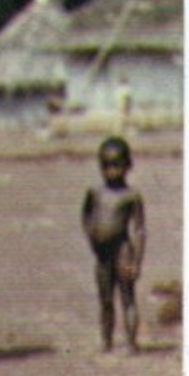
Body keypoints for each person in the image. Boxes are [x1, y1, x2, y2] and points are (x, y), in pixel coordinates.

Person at [81, 136, 146, 353]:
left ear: (128, 165)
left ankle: (131, 342)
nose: (111, 171)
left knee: (127, 297)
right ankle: (106, 340)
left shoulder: (131, 196)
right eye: (106, 165)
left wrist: (137, 260)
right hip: (102, 254)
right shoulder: (95, 192)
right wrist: (91, 237)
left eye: (116, 165)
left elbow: (139, 229)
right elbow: (86, 215)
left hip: (123, 251)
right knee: (105, 299)